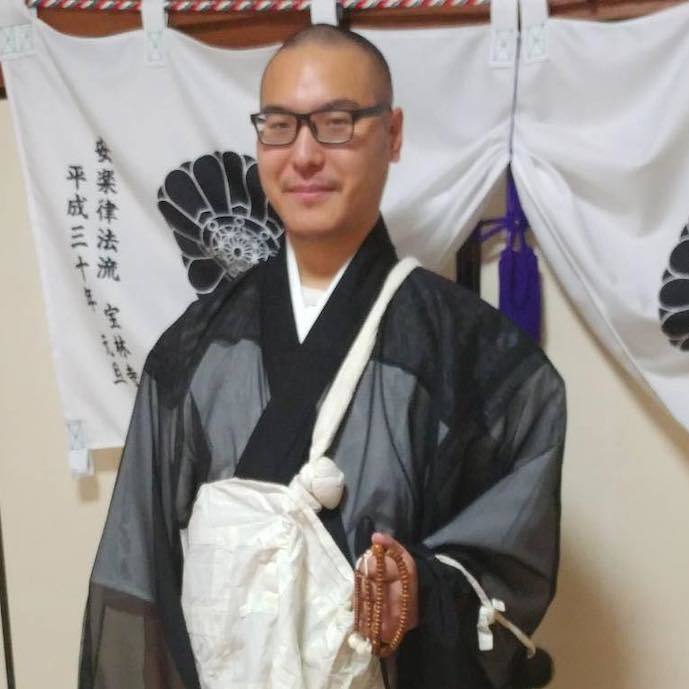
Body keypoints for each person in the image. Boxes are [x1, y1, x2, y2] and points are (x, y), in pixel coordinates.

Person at [79, 24, 565, 689]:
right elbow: (141, 573)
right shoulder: (195, 350)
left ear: (392, 133)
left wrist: (419, 588)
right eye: (279, 126)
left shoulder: (475, 358)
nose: (303, 156)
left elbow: (508, 564)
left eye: (336, 123)